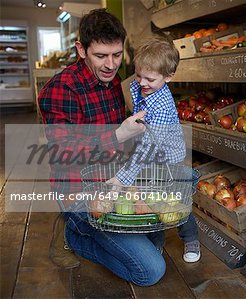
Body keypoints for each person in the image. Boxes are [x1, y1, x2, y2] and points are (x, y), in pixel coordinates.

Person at [38, 9, 165, 286]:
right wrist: (119, 134)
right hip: (79, 192)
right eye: (101, 56)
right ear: (81, 50)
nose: (111, 64)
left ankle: (107, 233)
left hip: (113, 183)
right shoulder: (61, 89)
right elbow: (65, 152)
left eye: (117, 55)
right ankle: (74, 234)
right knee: (150, 271)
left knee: (158, 234)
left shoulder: (113, 81)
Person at [108, 35, 201, 263]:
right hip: (148, 156)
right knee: (150, 200)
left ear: (168, 77)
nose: (142, 83)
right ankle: (157, 241)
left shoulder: (161, 106)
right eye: (139, 75)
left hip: (167, 159)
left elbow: (149, 147)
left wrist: (122, 178)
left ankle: (190, 238)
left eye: (149, 78)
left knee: (175, 199)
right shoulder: (142, 86)